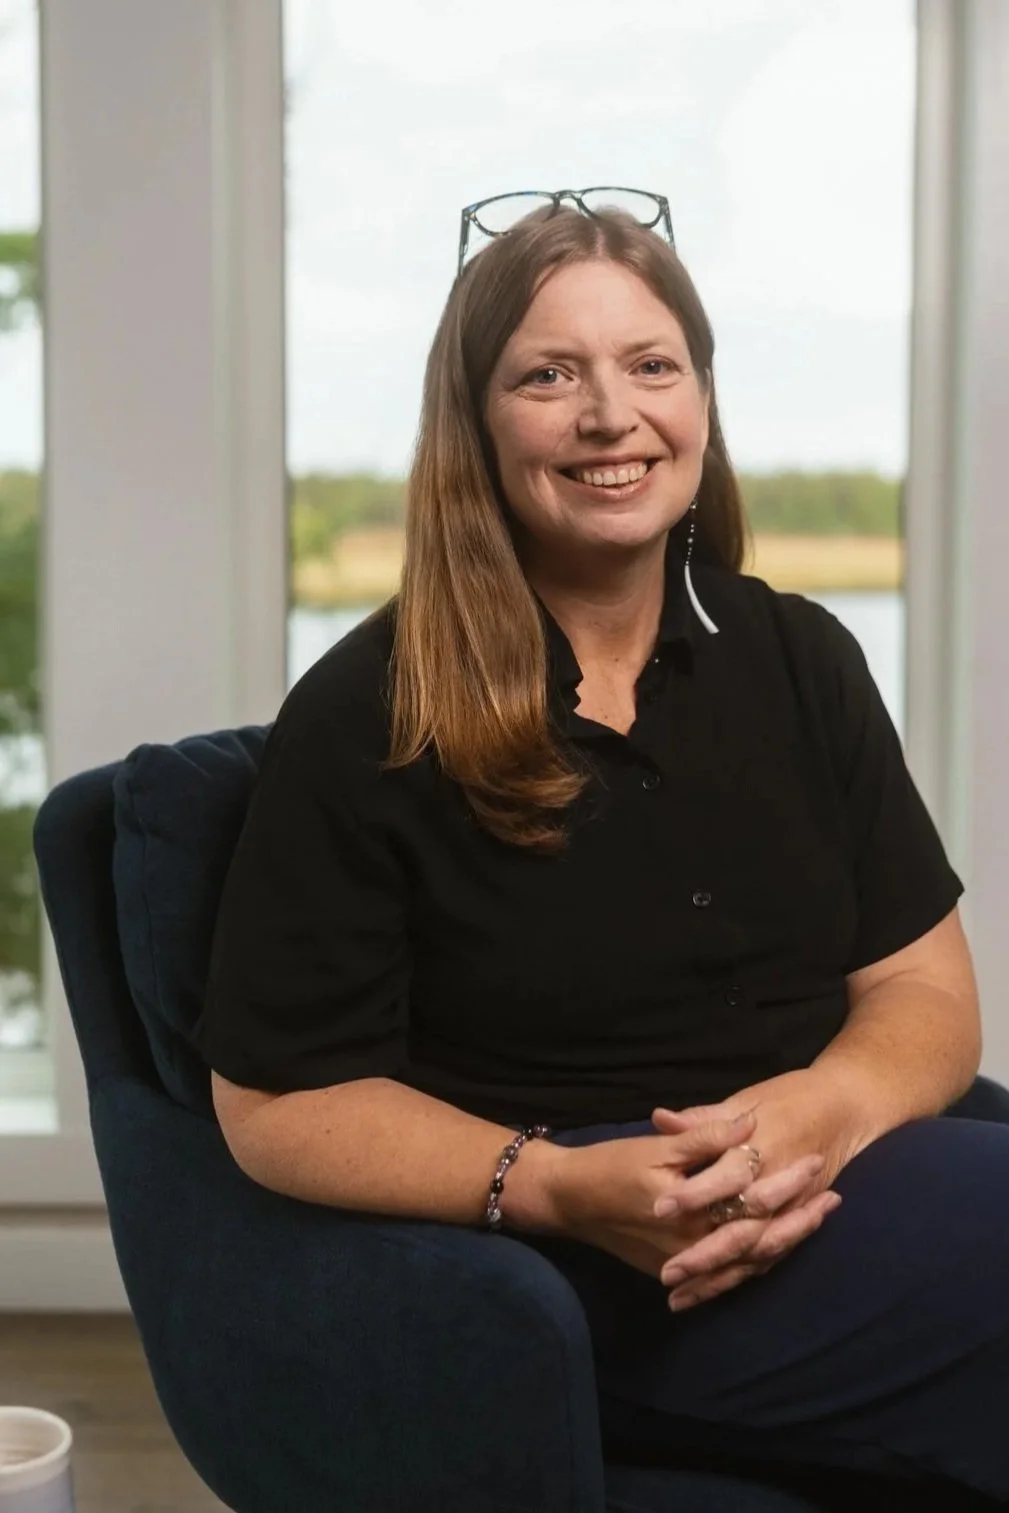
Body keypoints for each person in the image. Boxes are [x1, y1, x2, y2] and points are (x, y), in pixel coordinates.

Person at [190, 192, 1009, 1509]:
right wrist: (560, 1191)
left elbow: (922, 992)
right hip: (578, 1266)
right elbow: (276, 1106)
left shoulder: (802, 659)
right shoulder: (368, 712)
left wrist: (827, 1106)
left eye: (650, 366)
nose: (610, 417)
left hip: (823, 1171)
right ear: (476, 419)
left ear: (699, 401)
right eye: (549, 374)